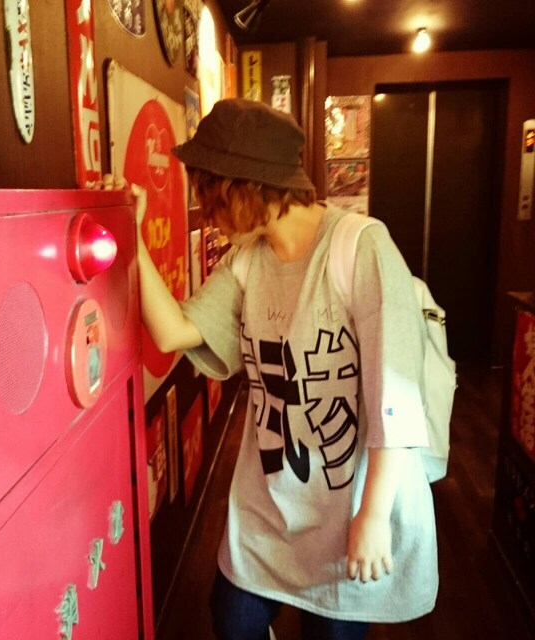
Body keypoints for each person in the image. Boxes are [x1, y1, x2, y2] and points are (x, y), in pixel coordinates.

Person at [133, 98, 437, 640]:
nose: (206, 211)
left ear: (246, 189)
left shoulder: (361, 247)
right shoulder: (249, 259)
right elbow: (172, 332)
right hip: (271, 503)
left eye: (210, 195)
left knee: (329, 632)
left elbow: (394, 393)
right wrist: (131, 238)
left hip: (348, 500)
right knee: (233, 621)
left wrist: (373, 515)